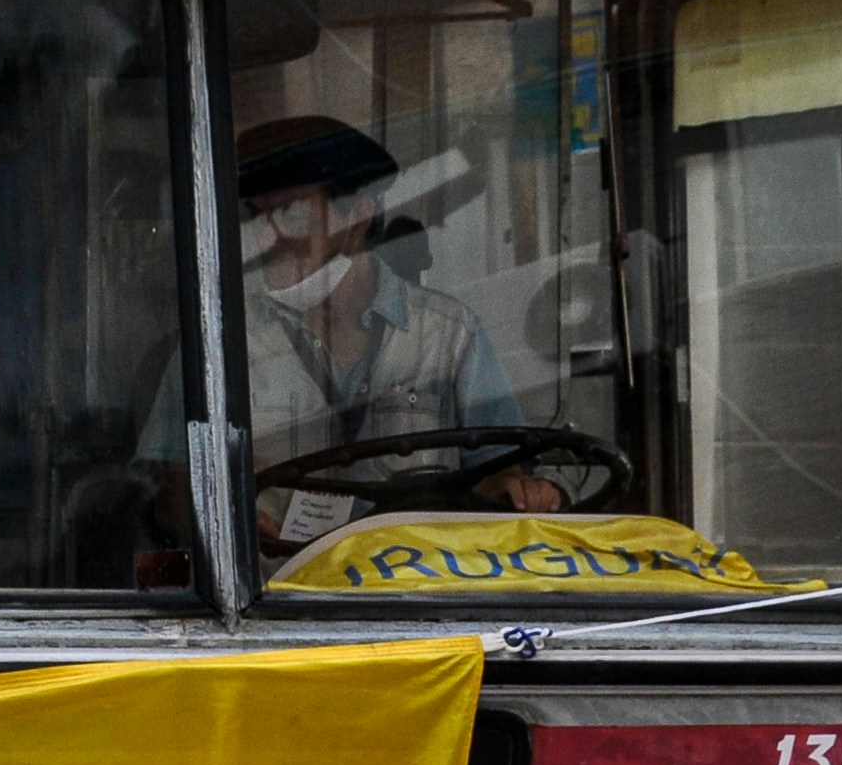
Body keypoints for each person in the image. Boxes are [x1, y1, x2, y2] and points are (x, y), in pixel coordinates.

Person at [145, 116, 566, 543]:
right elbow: (173, 492)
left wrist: (517, 491)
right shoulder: (220, 346)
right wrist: (220, 522)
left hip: (412, 591)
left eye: (292, 213)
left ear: (358, 219)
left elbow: (498, 470)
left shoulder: (448, 335)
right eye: (258, 218)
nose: (268, 240)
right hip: (272, 598)